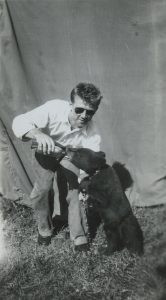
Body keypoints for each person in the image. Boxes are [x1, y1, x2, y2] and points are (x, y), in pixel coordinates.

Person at [12, 82, 103, 251]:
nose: (84, 116)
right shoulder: (53, 108)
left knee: (76, 190)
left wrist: (84, 178)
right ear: (70, 105)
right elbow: (19, 122)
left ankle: (79, 235)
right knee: (43, 189)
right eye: (79, 110)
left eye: (90, 112)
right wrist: (37, 134)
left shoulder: (93, 132)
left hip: (72, 154)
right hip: (45, 150)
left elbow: (91, 162)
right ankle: (44, 229)